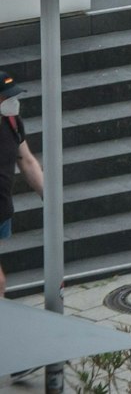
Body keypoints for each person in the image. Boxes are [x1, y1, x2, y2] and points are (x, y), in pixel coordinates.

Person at [0, 71, 46, 292]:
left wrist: (48, 195)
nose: (13, 101)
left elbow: (26, 161)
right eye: (7, 97)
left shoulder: (11, 122)